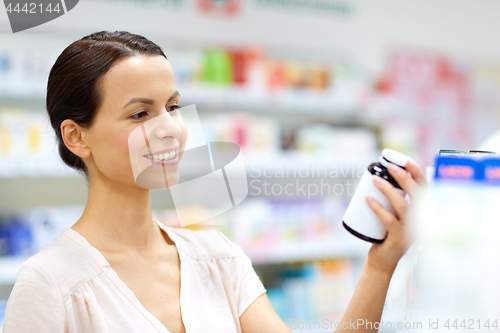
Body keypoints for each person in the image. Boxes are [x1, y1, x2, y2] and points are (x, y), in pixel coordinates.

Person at [2, 31, 427, 333]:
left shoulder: (217, 258)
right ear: (77, 137)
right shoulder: (51, 284)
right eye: (140, 113)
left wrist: (380, 264)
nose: (170, 128)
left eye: (172, 107)